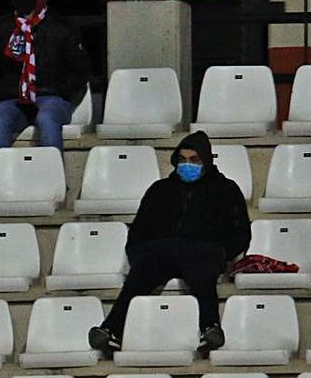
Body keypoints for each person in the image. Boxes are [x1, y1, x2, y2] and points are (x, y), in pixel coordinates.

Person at [88, 130, 251, 355]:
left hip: (202, 252)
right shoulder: (159, 190)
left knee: (204, 276)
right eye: (183, 159)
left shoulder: (226, 189)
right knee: (138, 277)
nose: (187, 165)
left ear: (206, 160)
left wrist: (221, 252)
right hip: (160, 252)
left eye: (194, 160)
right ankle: (110, 330)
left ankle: (210, 329)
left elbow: (241, 231)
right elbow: (138, 231)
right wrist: (140, 253)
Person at [0, 0, 90, 156]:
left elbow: (80, 71)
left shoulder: (62, 28)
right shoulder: (0, 29)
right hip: (13, 98)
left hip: (51, 97)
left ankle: (54, 180)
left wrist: (61, 93)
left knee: (47, 118)